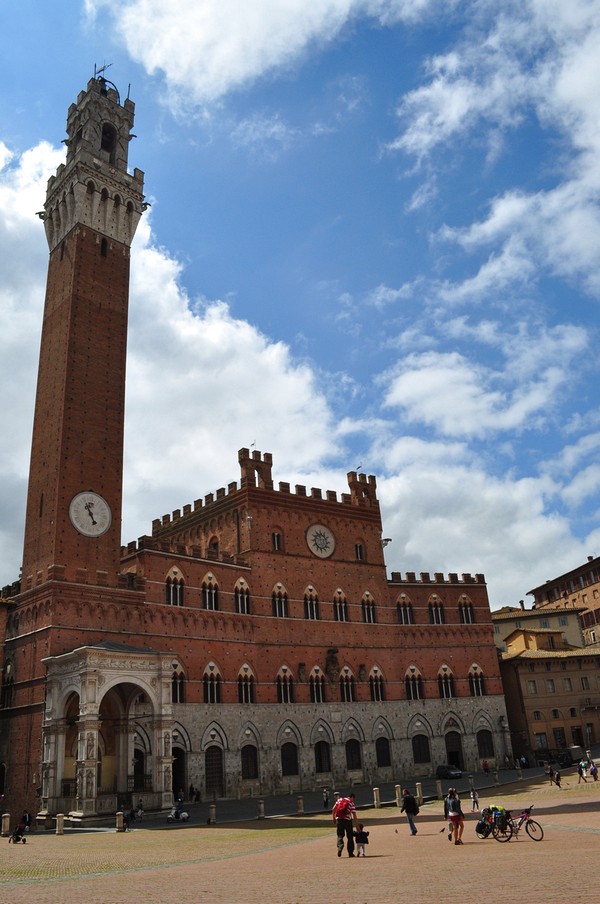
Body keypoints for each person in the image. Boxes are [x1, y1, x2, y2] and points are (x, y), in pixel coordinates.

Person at [332, 793, 359, 857]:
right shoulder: (351, 803)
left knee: (340, 835)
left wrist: (334, 818)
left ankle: (340, 847)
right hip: (347, 821)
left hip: (339, 820)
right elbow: (354, 815)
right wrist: (357, 825)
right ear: (352, 797)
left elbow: (333, 809)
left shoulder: (340, 800)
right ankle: (350, 852)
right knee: (350, 837)